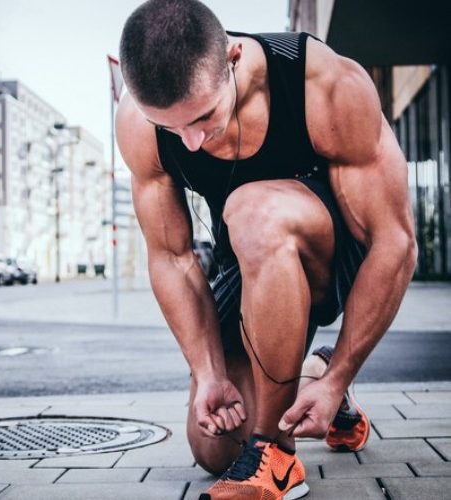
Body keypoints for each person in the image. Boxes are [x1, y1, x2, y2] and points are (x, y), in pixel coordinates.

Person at [115, 1, 417, 499]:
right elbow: (172, 257)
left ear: (233, 58)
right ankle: (307, 372)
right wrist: (208, 371)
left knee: (252, 209)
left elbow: (395, 242)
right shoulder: (138, 122)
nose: (190, 143)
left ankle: (276, 457)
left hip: (331, 256)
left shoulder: (323, 83)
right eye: (172, 129)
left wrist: (342, 376)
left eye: (204, 117)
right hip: (248, 262)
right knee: (214, 449)